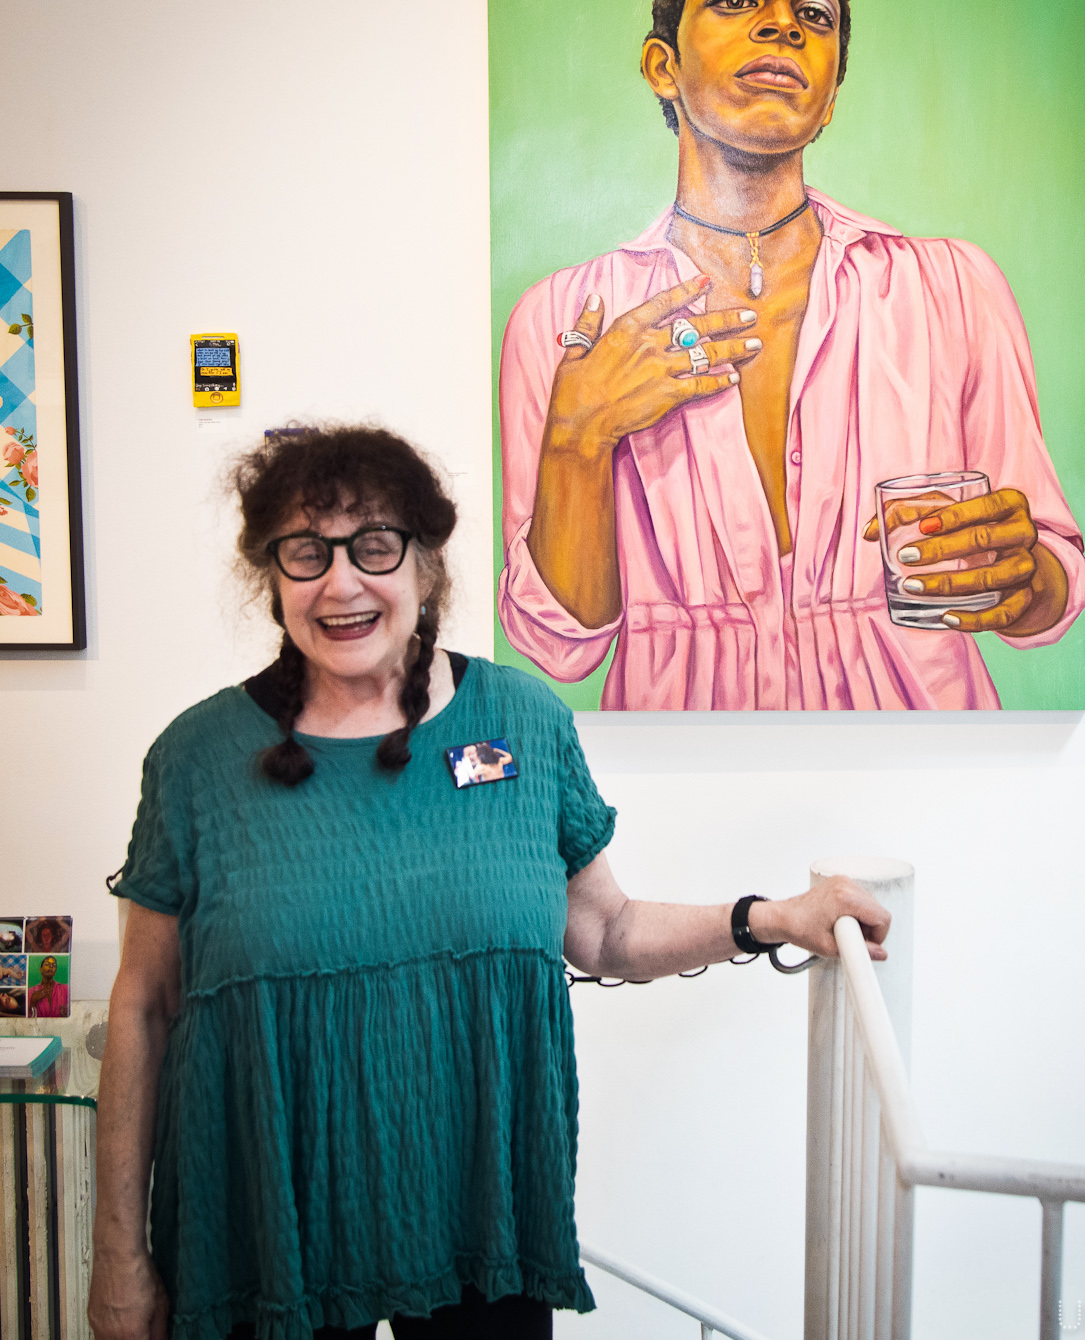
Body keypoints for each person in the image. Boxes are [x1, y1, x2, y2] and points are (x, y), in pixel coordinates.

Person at [87, 423, 891, 1340]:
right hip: (268, 1226)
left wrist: (774, 917)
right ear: (272, 577)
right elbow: (143, 1006)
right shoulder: (196, 759)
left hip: (479, 1222)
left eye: (374, 545)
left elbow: (604, 931)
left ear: (426, 566)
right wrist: (117, 1254)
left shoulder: (523, 720)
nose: (341, 584)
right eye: (306, 552)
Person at [497, 0, 1085, 711]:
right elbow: (560, 648)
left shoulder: (952, 287)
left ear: (830, 95)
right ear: (663, 65)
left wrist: (1023, 579)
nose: (783, 25)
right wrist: (578, 436)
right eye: (737, 0)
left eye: (814, 14)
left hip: (928, 756)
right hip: (675, 764)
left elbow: (1051, 584)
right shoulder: (564, 319)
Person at [28, 953, 69, 1018]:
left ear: (55, 971)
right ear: (41, 969)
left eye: (54, 965)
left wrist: (68, 1010)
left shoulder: (65, 989)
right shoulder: (31, 991)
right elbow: (29, 1017)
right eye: (47, 964)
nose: (51, 967)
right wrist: (33, 1001)